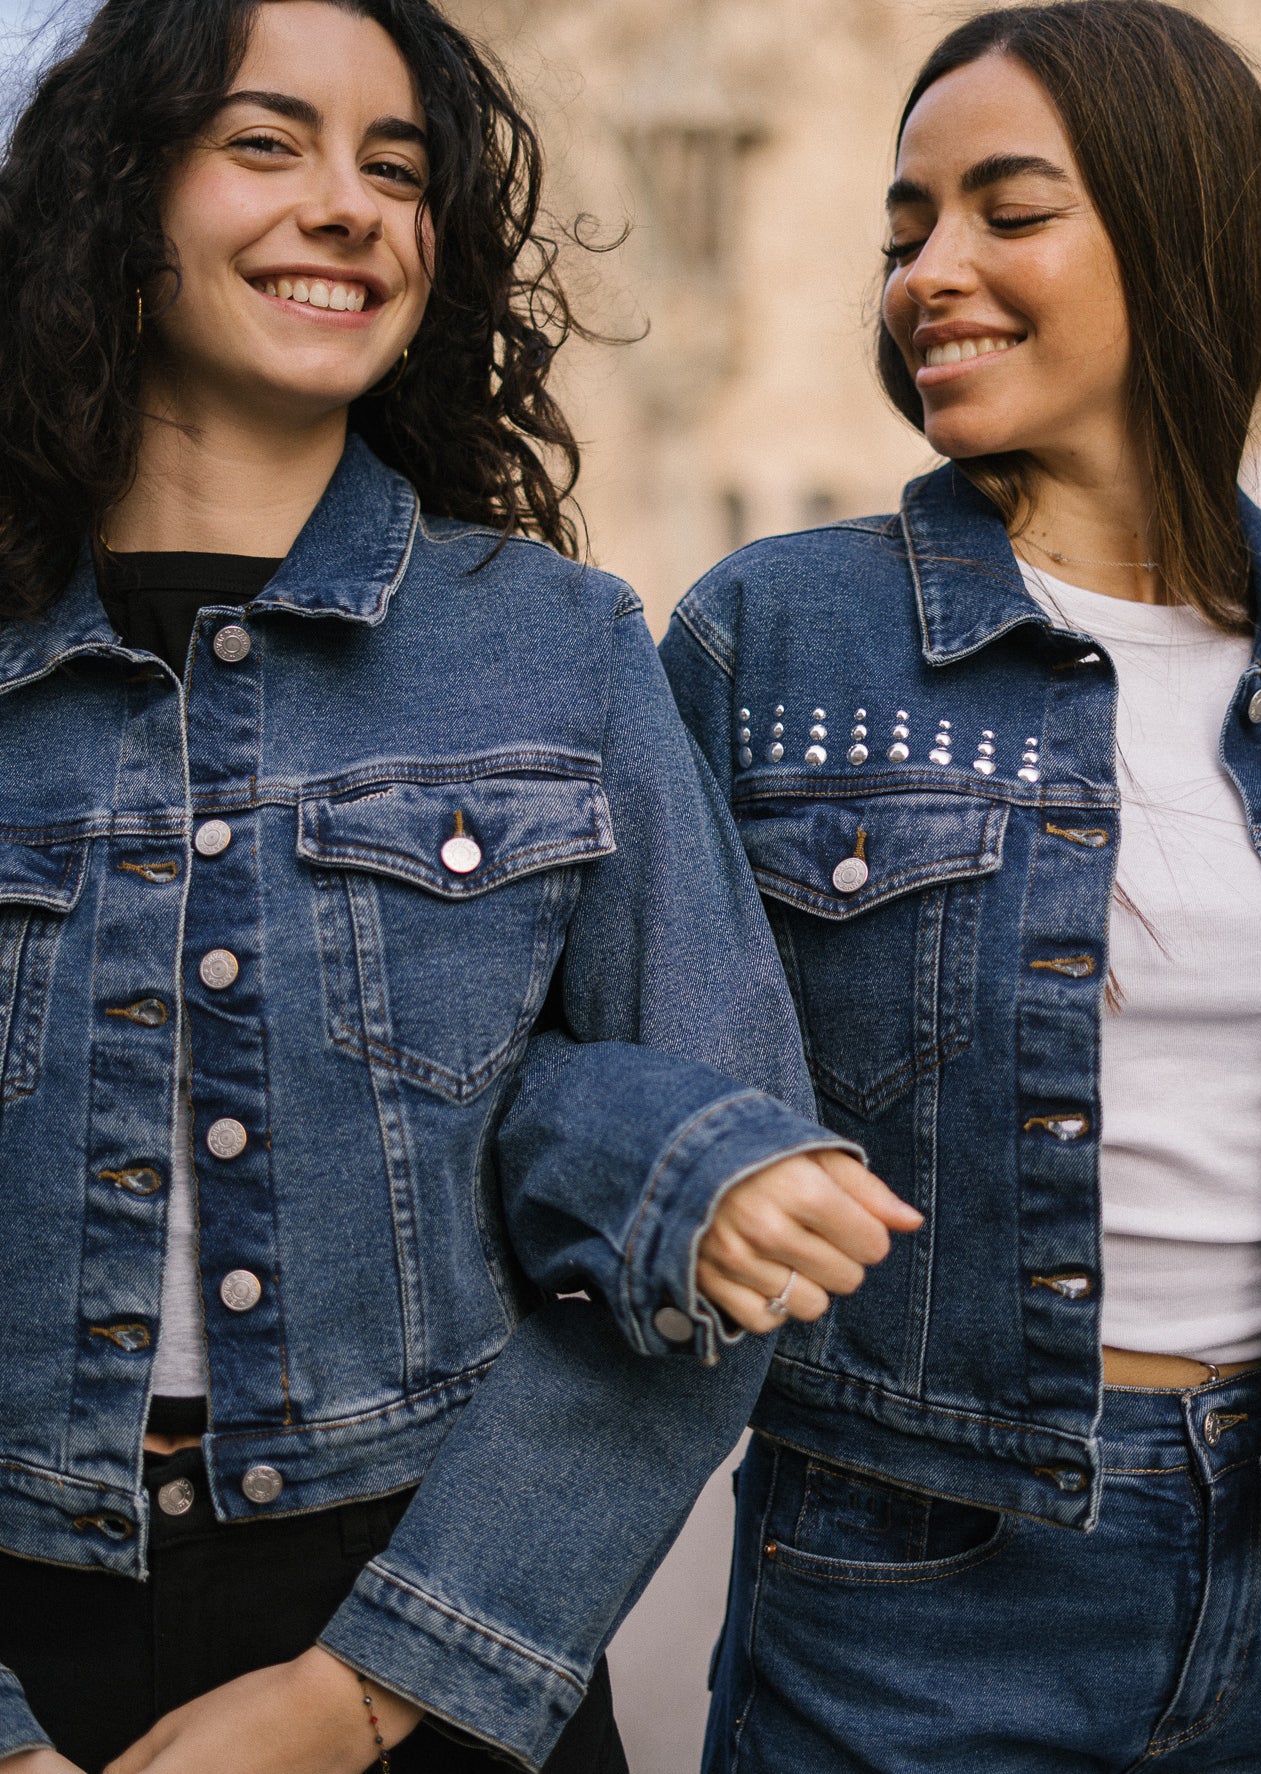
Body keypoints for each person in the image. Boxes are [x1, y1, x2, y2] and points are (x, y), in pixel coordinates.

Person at [0, 2, 918, 1769]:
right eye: (266, 145)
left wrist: (368, 1692)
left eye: (397, 168)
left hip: (428, 1623)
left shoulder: (558, 650)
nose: (347, 203)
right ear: (119, 200)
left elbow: (740, 1233)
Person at [660, 4, 1261, 1767]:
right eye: (904, 230)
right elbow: (578, 1047)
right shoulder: (774, 628)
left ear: (1178, 227)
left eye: (1006, 209)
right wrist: (693, 1171)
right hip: (908, 1577)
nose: (929, 272)